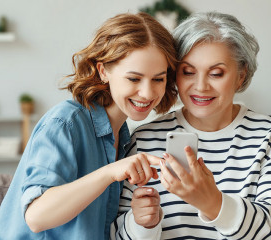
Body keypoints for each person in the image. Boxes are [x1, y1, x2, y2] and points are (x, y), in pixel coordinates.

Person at [0, 12, 178, 240]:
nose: (147, 92)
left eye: (158, 79)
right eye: (134, 79)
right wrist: (109, 173)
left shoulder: (124, 138)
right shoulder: (66, 123)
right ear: (104, 71)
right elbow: (36, 217)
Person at [112, 11, 271, 240]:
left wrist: (213, 204)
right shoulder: (144, 138)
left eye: (216, 73)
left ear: (241, 75)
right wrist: (141, 224)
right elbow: (116, 234)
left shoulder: (266, 137)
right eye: (188, 72)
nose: (201, 86)